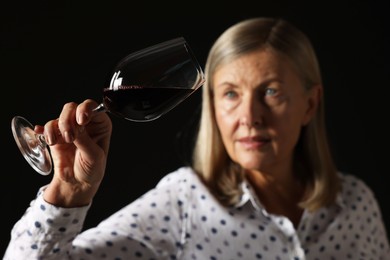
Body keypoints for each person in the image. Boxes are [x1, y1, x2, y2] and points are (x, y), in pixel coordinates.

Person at [4, 17, 389, 260]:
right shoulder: (185, 203)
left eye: (271, 92)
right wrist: (70, 192)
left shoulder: (356, 205)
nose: (250, 117)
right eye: (231, 94)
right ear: (213, 107)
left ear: (309, 104)